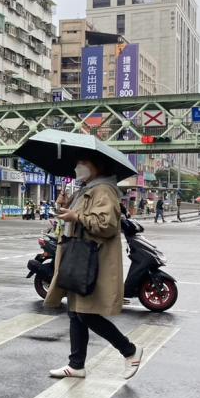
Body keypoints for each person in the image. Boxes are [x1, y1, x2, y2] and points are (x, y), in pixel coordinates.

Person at [45, 156, 142, 380]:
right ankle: (76, 364)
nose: (78, 166)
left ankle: (130, 350)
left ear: (97, 166)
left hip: (92, 259)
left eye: (83, 162)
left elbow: (106, 226)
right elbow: (75, 217)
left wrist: (75, 215)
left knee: (85, 313)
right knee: (75, 312)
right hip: (79, 257)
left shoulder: (104, 190)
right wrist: (64, 205)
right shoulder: (87, 189)